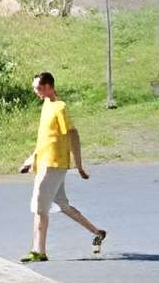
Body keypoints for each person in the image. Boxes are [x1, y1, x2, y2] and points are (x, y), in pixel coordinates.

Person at [20, 70, 105, 263]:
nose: (36, 91)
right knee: (62, 205)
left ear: (49, 87)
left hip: (54, 164)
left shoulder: (59, 107)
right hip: (44, 163)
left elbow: (73, 134)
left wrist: (79, 165)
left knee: (39, 207)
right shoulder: (46, 105)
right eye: (34, 88)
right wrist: (31, 159)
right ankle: (97, 232)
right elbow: (45, 139)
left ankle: (39, 251)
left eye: (39, 88)